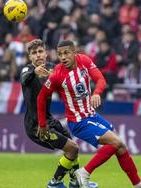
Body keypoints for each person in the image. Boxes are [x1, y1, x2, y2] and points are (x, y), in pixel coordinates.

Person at [37, 40, 141, 188]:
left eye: (66, 53)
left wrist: (96, 93)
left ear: (74, 52)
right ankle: (84, 172)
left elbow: (101, 80)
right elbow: (41, 97)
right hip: (78, 121)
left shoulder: (84, 60)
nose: (63, 57)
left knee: (120, 147)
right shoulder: (57, 75)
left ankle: (138, 184)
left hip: (92, 115)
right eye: (60, 54)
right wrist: (42, 124)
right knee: (116, 142)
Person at [21, 39, 97, 188]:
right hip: (35, 125)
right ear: (30, 57)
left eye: (40, 51)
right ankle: (55, 183)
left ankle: (75, 182)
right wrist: (33, 72)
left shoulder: (53, 69)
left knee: (73, 148)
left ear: (46, 53)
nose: (38, 55)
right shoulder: (27, 70)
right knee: (72, 148)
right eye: (34, 53)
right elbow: (24, 79)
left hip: (49, 120)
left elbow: (69, 76)